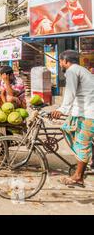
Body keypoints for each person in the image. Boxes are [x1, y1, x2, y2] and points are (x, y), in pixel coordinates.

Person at [51, 50, 94, 186]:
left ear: (65, 61)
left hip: (88, 113)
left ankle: (78, 177)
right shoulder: (82, 70)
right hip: (84, 111)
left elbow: (70, 91)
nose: (60, 64)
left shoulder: (72, 70)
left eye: (60, 61)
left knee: (82, 143)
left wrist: (61, 110)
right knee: (69, 128)